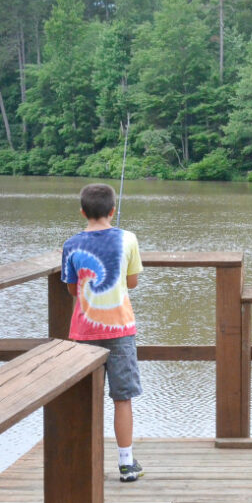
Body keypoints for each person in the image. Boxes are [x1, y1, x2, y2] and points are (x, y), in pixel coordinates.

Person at [61, 183, 145, 482]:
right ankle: (126, 464)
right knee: (122, 398)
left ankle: (84, 462)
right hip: (120, 329)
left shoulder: (71, 245)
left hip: (83, 332)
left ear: (82, 212)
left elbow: (72, 288)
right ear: (113, 211)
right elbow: (132, 282)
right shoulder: (128, 239)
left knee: (86, 399)